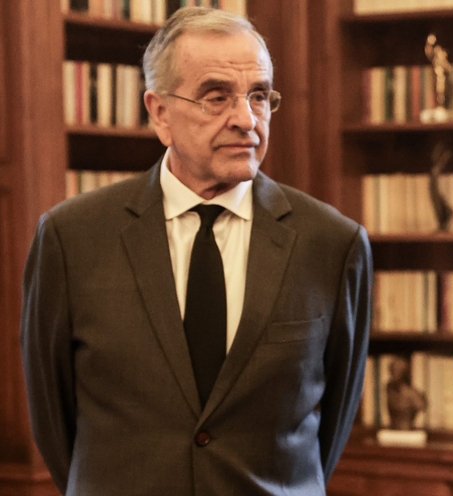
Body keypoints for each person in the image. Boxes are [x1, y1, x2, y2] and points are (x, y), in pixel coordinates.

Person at [21, 7, 371, 495]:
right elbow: (52, 418)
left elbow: (333, 420)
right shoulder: (71, 237)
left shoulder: (332, 244)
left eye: (259, 96)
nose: (246, 119)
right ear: (160, 112)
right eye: (217, 97)